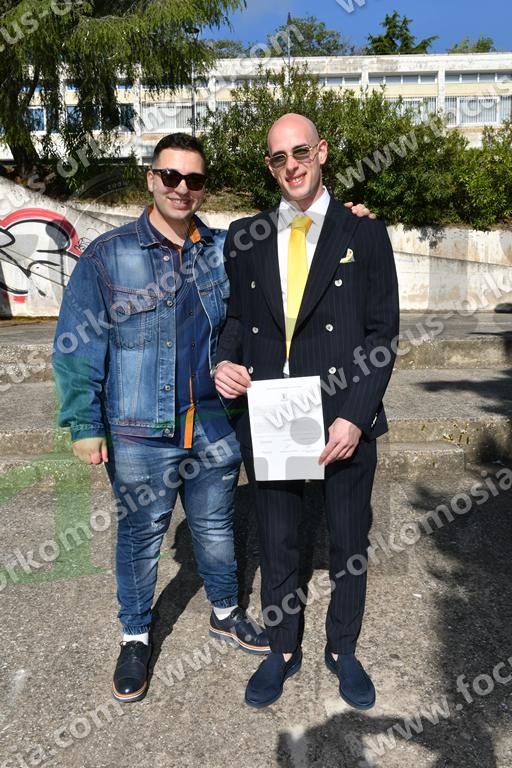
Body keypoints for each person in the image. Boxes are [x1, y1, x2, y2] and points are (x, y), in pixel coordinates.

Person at [53, 131, 371, 705]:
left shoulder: (225, 247)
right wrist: (83, 422)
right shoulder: (107, 255)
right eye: (170, 176)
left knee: (217, 528)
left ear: (203, 187)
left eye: (194, 179)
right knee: (141, 535)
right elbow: (76, 343)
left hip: (213, 425)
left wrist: (344, 219)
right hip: (139, 429)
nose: (181, 187)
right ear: (151, 179)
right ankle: (135, 635)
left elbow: (282, 257)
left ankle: (225, 612)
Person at [214, 114, 399, 709]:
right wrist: (224, 361)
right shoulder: (245, 236)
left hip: (343, 411)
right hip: (273, 412)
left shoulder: (364, 231)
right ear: (270, 167)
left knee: (348, 540)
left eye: (300, 152)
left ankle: (342, 649)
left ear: (321, 152)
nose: (290, 165)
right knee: (277, 540)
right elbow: (236, 319)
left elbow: (381, 333)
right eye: (278, 157)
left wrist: (355, 414)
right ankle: (282, 646)